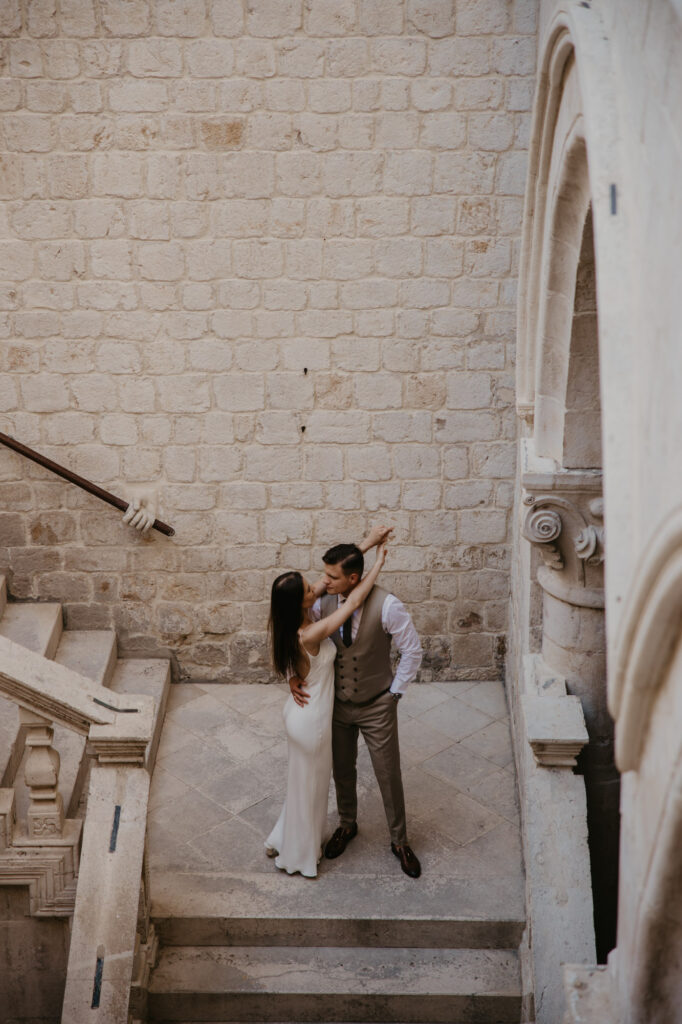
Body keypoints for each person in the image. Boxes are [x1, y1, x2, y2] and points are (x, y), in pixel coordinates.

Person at [290, 537, 423, 879]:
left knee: (387, 773)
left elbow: (413, 652)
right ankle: (347, 825)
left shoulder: (389, 605)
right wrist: (293, 675)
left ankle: (400, 841)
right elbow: (299, 637)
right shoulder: (323, 605)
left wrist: (394, 694)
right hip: (336, 705)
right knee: (342, 770)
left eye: (331, 577)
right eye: (324, 576)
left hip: (378, 703)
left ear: (352, 579)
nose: (323, 583)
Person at [265, 535, 388, 878]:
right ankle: (300, 855)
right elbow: (352, 602)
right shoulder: (312, 632)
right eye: (309, 587)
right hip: (313, 722)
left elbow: (334, 576)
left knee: (299, 785)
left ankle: (285, 838)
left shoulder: (290, 623)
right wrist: (378, 564)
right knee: (313, 791)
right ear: (301, 601)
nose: (318, 586)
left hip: (297, 715)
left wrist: (364, 546)